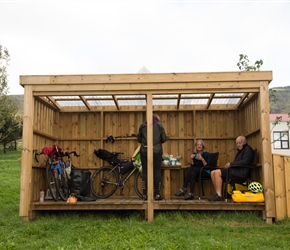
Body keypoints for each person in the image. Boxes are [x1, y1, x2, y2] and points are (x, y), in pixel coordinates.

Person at [208, 135, 254, 201]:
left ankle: (219, 195)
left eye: (240, 143)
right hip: (235, 170)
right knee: (212, 172)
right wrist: (230, 165)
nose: (238, 145)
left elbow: (245, 162)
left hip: (241, 172)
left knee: (217, 172)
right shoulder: (241, 151)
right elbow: (238, 162)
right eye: (237, 143)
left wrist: (231, 164)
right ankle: (217, 193)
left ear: (244, 142)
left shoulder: (248, 150)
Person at [137, 113, 167, 201]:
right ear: (157, 119)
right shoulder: (159, 125)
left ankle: (144, 195)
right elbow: (164, 139)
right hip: (156, 151)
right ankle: (157, 194)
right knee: (157, 172)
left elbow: (139, 139)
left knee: (145, 172)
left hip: (144, 151)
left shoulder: (142, 125)